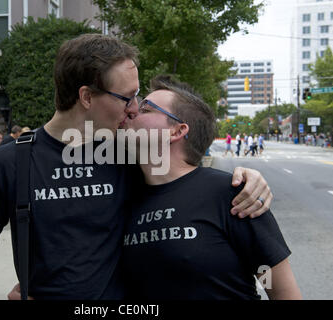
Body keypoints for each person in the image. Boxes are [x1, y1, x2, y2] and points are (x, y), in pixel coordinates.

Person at [0, 34, 273, 300]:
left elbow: (187, 178)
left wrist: (248, 177)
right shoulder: (9, 161)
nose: (134, 109)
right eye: (127, 98)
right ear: (87, 96)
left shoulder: (130, 154)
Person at [122, 75, 301, 300]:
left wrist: (264, 275)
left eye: (146, 108)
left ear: (177, 131)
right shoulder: (122, 194)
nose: (132, 110)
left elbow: (280, 290)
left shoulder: (233, 195)